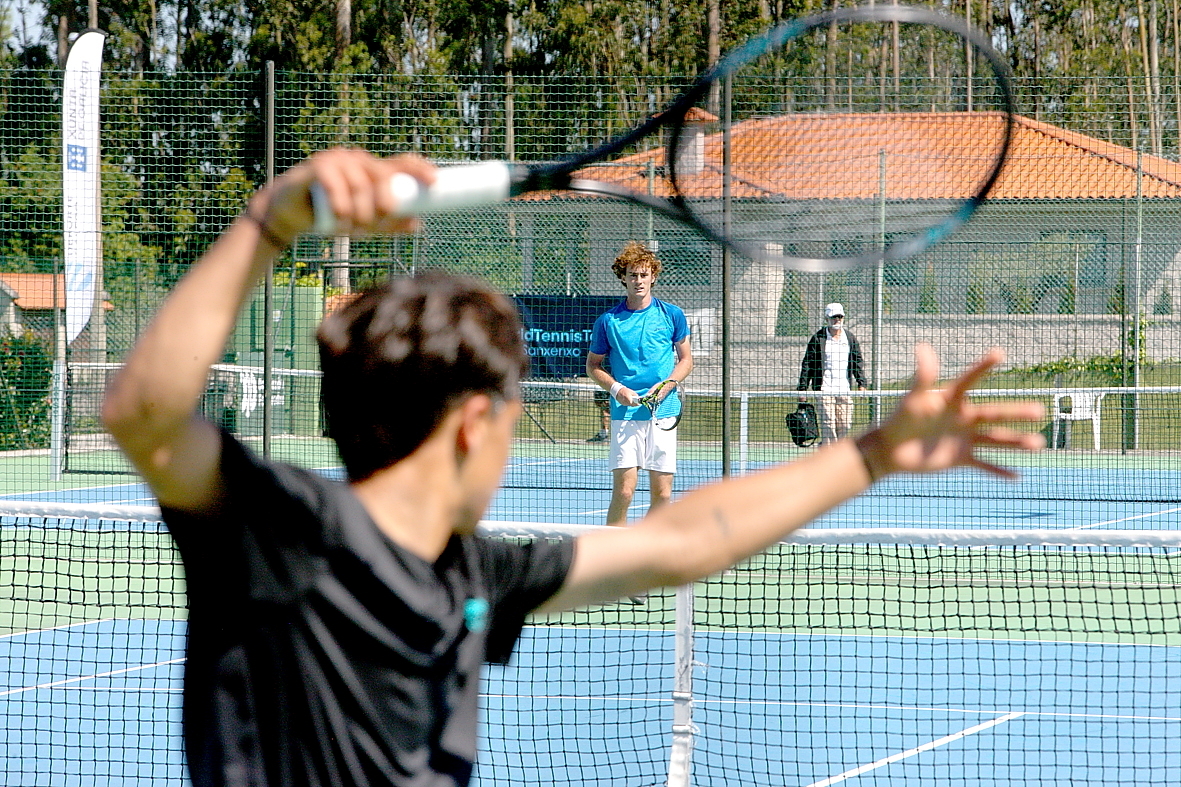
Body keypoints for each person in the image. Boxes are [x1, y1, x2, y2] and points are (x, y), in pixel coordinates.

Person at [101, 148, 1044, 787]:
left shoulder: (472, 572)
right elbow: (144, 412)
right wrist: (270, 220)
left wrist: (869, 454)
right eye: (509, 413)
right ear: (474, 422)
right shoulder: (285, 533)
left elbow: (685, 538)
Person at [586, 242, 693, 525]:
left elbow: (686, 361)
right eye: (633, 275)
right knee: (624, 490)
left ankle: (643, 550)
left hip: (664, 412)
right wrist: (617, 389)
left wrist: (667, 386)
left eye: (644, 275)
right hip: (625, 415)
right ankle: (613, 556)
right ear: (623, 277)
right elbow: (592, 366)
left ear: (653, 276)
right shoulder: (608, 321)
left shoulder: (672, 315)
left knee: (663, 494)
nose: (639, 281)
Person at [798, 302, 868, 445]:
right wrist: (802, 388)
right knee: (828, 425)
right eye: (833, 318)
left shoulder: (850, 338)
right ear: (827, 319)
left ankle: (830, 451)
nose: (837, 320)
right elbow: (808, 364)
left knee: (844, 424)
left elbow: (857, 361)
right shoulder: (818, 338)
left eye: (839, 317)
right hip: (824, 389)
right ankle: (830, 457)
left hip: (844, 389)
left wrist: (862, 383)